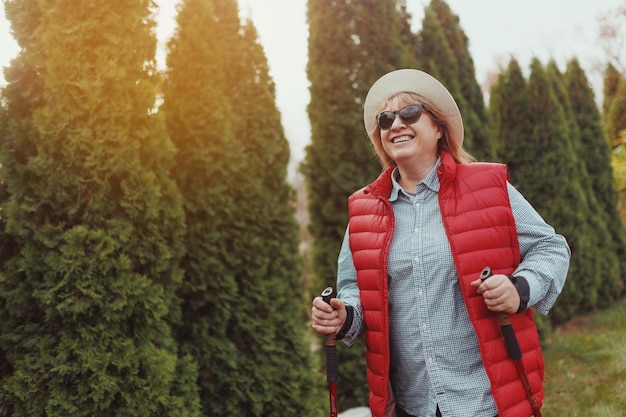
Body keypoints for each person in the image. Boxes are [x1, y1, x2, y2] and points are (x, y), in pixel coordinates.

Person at [311, 69, 570, 417]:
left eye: (410, 113)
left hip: (485, 401)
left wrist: (520, 288)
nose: (396, 124)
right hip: (411, 404)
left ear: (437, 128)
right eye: (386, 119)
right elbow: (356, 289)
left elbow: (550, 247)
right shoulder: (364, 210)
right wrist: (344, 315)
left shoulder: (486, 188)